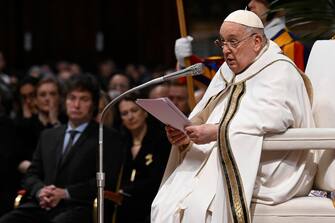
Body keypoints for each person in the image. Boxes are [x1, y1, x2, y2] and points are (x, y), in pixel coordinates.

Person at [151, 10, 316, 222]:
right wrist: (186, 136)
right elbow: (206, 113)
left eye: (233, 42)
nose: (226, 51)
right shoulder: (227, 71)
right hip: (222, 152)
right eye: (222, 43)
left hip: (269, 162)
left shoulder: (280, 71)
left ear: (256, 41)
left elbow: (274, 118)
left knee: (200, 206)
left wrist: (217, 132)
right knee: (166, 202)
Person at [0, 74, 123, 223]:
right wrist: (40, 190)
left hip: (79, 205)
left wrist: (65, 193)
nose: (76, 105)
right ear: (65, 102)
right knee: (7, 220)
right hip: (43, 204)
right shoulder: (48, 135)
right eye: (72, 98)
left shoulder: (107, 137)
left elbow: (105, 181)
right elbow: (31, 175)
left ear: (94, 104)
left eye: (83, 99)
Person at [111, 93, 171, 223]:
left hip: (152, 205)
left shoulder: (160, 140)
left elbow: (159, 178)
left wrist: (126, 191)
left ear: (145, 112)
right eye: (124, 113)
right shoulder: (120, 143)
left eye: (134, 110)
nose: (130, 117)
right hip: (123, 207)